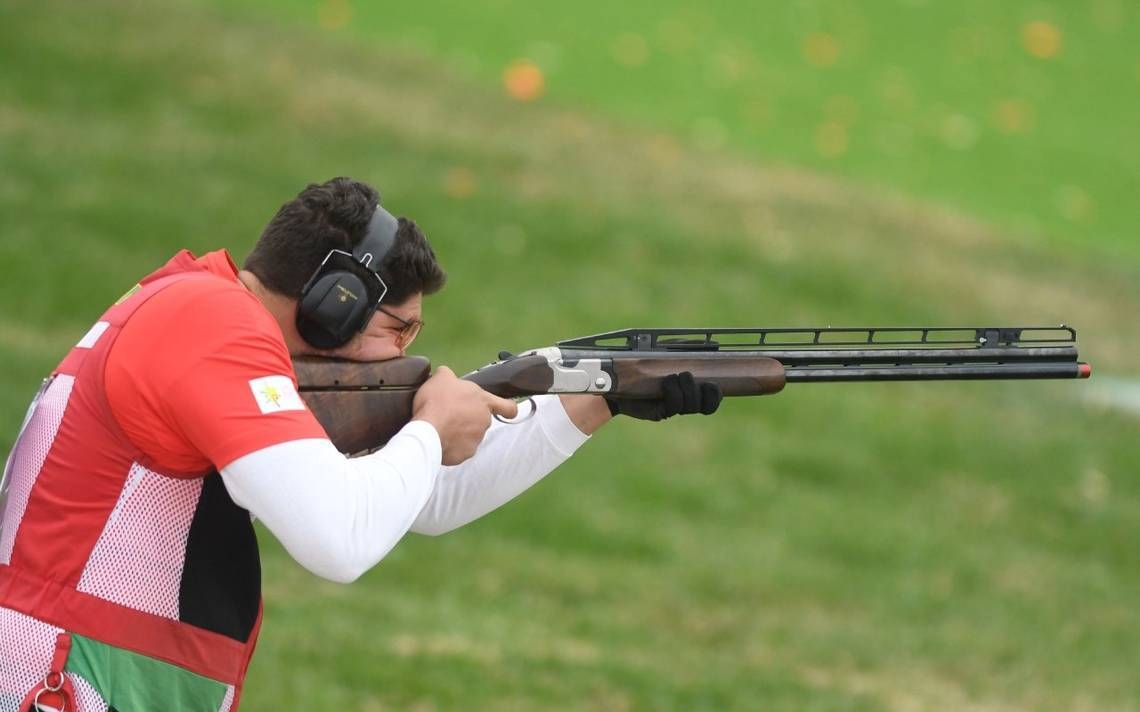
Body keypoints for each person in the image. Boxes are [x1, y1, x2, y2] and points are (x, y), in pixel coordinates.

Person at [0, 177, 721, 711]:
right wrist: (431, 429)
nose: (406, 351)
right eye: (399, 328)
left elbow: (419, 499)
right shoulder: (213, 329)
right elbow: (339, 540)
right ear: (332, 303)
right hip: (65, 680)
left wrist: (592, 400)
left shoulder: (201, 313)